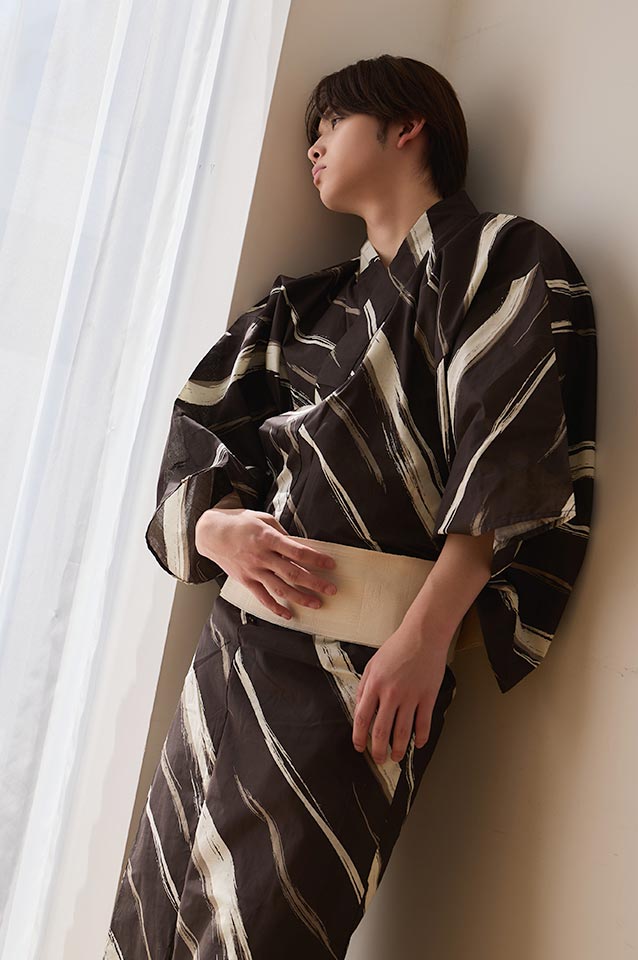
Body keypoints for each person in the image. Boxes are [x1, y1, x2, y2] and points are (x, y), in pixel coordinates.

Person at [103, 54, 596, 959]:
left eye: (331, 123)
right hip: (231, 652)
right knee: (154, 908)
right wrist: (216, 526)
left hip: (366, 666)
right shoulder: (305, 306)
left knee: (273, 922)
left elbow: (509, 459)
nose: (313, 146)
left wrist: (426, 638)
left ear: (407, 126)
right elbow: (198, 432)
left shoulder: (500, 257)